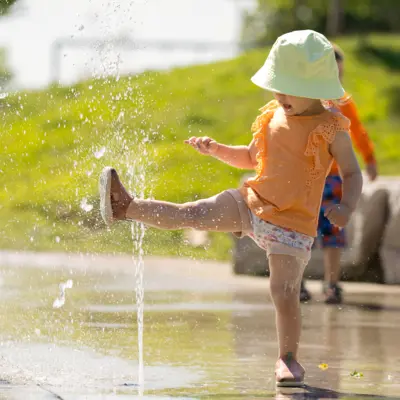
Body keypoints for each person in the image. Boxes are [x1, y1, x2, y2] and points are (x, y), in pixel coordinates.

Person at [99, 30, 363, 387]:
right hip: (251, 203)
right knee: (191, 212)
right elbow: (251, 157)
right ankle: (126, 207)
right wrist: (217, 149)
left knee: (283, 293)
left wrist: (346, 206)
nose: (279, 95)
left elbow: (351, 171)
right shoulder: (272, 116)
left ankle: (287, 358)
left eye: (288, 88)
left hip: (292, 226)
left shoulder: (331, 128)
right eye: (276, 87)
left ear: (315, 85)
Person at [299, 44, 378, 305]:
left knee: (333, 232)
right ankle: (296, 282)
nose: (337, 81)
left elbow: (358, 131)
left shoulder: (343, 102)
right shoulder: (303, 100)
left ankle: (332, 283)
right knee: (300, 231)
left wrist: (369, 158)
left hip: (332, 177)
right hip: (306, 177)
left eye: (340, 76)